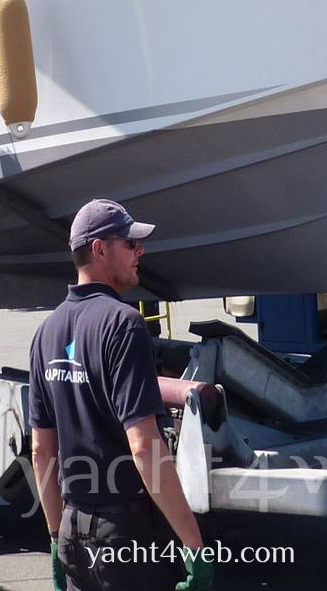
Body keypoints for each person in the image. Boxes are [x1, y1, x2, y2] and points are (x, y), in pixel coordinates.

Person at [29, 199, 214, 591]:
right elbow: (145, 448)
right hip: (124, 538)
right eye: (129, 243)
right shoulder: (123, 325)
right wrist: (194, 546)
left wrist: (54, 538)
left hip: (72, 530)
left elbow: (42, 452)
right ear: (99, 249)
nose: (139, 251)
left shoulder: (45, 334)